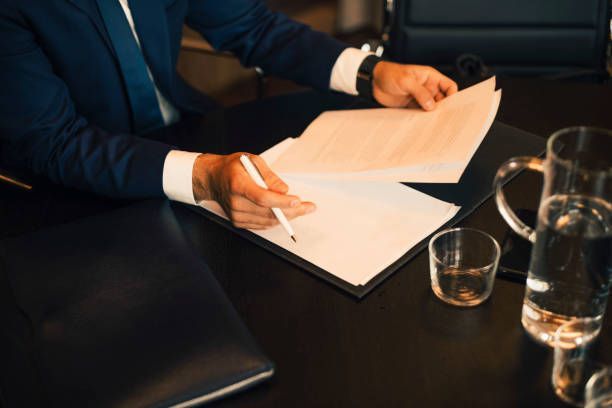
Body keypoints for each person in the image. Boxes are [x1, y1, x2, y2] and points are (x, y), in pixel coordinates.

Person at [0, 0, 457, 229]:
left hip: (188, 129)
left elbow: (252, 26)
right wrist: (202, 175)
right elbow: (55, 141)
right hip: (72, 195)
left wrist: (369, 72)